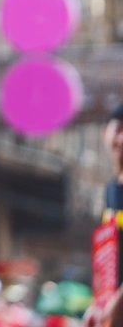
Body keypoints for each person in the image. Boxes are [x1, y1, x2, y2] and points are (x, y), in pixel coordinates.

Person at [84, 104, 123, 327]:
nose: (122, 139)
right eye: (118, 129)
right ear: (105, 132)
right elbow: (107, 256)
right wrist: (98, 305)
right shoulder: (110, 190)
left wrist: (118, 303)